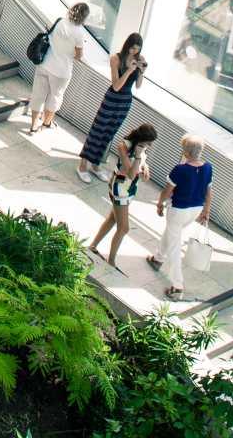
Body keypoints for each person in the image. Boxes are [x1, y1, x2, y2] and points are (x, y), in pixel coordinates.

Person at [148, 134, 213, 298]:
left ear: (186, 151)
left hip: (178, 210)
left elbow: (167, 191)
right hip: (195, 210)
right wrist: (206, 211)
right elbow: (208, 191)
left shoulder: (180, 169)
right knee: (172, 233)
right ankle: (157, 258)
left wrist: (159, 203)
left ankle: (177, 285)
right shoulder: (208, 167)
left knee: (175, 246)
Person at [77, 34, 146, 183]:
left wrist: (141, 71)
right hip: (112, 99)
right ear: (127, 45)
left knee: (108, 134)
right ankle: (83, 165)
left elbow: (139, 86)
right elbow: (116, 86)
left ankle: (95, 165)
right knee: (97, 131)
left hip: (125, 102)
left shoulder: (138, 59)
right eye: (132, 47)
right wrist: (128, 70)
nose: (134, 51)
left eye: (137, 49)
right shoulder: (116, 58)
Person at [88, 124, 156, 267]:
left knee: (112, 219)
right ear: (141, 139)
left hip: (130, 189)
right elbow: (130, 173)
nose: (149, 145)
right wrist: (137, 156)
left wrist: (145, 167)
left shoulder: (142, 148)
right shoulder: (124, 146)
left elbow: (141, 165)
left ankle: (93, 245)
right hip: (120, 188)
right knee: (124, 228)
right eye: (148, 142)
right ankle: (111, 260)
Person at [26, 2, 91, 136]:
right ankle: (46, 123)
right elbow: (79, 56)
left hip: (44, 64)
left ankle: (33, 126)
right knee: (54, 97)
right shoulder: (79, 33)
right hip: (61, 71)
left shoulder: (60, 22)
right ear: (84, 17)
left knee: (38, 95)